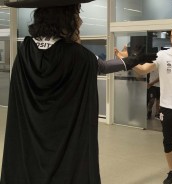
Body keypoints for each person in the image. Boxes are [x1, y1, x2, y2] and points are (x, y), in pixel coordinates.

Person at [0, 1, 156, 184]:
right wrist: (132, 60)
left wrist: (131, 60)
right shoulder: (78, 56)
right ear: (64, 19)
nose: (80, 22)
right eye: (76, 15)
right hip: (64, 141)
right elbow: (102, 66)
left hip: (29, 140)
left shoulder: (24, 52)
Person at [116, 26, 172, 184]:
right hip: (166, 107)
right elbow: (143, 70)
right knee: (168, 141)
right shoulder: (162, 55)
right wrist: (127, 60)